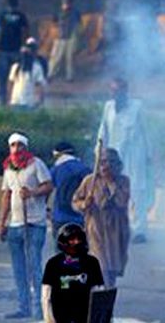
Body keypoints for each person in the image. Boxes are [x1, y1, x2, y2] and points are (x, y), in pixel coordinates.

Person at [0, 133, 53, 319]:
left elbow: (48, 186)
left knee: (34, 267)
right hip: (15, 223)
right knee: (19, 269)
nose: (17, 149)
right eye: (13, 145)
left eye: (20, 145)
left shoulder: (36, 164)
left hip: (34, 223)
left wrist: (32, 193)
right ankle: (24, 307)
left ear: (26, 147)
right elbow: (6, 196)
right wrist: (2, 222)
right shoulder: (8, 168)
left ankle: (40, 308)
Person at [41, 223, 104, 323]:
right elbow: (46, 296)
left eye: (78, 239)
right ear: (63, 242)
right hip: (60, 322)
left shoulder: (91, 263)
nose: (75, 243)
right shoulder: (53, 264)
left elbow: (99, 294)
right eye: (71, 239)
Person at [96, 78, 152, 243]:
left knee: (137, 191)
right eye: (112, 91)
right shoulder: (108, 107)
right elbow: (103, 130)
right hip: (114, 158)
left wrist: (149, 156)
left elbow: (146, 132)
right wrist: (99, 152)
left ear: (125, 92)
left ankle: (140, 230)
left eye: (118, 91)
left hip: (135, 157)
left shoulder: (137, 107)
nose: (115, 94)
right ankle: (120, 229)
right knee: (115, 191)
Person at [72, 148, 131, 287]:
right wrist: (84, 204)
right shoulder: (89, 181)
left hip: (117, 230)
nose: (106, 166)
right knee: (100, 265)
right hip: (96, 228)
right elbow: (75, 202)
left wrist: (111, 185)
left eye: (110, 162)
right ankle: (97, 296)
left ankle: (107, 295)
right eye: (103, 162)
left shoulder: (123, 181)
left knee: (112, 269)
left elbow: (122, 202)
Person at [49, 142, 92, 237]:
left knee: (61, 248)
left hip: (60, 217)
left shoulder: (56, 169)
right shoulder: (86, 169)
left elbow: (48, 189)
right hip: (81, 217)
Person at [0, 0, 29, 104]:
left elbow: (24, 31)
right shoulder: (18, 16)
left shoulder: (6, 15)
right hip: (7, 50)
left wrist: (24, 45)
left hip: (12, 50)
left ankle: (13, 99)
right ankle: (4, 100)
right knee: (5, 77)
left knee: (13, 77)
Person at [49, 0, 81, 82]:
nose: (66, 3)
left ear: (71, 2)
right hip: (60, 37)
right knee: (55, 58)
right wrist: (57, 31)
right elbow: (53, 22)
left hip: (71, 37)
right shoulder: (58, 11)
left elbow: (78, 25)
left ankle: (70, 77)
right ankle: (51, 74)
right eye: (64, 1)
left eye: (68, 1)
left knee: (70, 58)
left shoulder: (76, 12)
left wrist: (76, 37)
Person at [8, 44, 47, 108]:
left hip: (27, 103)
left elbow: (40, 86)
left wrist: (39, 101)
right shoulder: (16, 67)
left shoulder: (36, 67)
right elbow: (10, 84)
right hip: (17, 102)